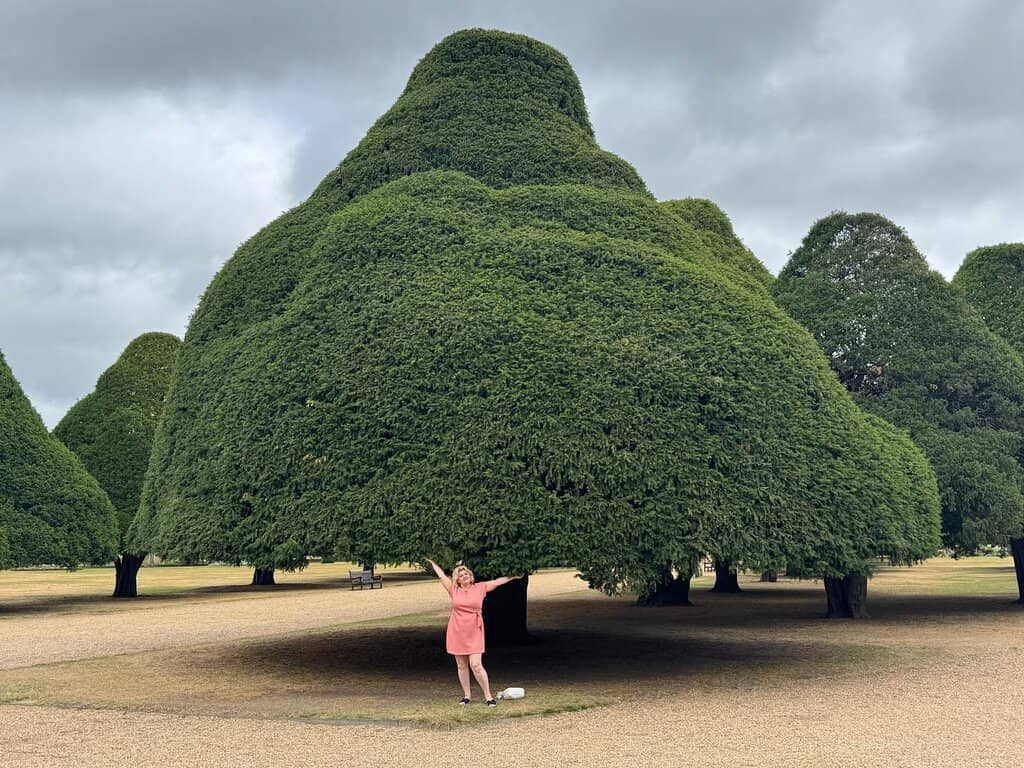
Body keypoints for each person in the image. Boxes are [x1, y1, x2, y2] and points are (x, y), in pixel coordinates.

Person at [425, 558, 519, 706]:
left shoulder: (480, 587)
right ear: (458, 580)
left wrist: (514, 576)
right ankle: (467, 696)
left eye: (466, 573)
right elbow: (442, 576)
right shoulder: (453, 589)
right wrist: (432, 563)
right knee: (461, 665)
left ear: (470, 575)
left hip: (474, 630)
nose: (464, 576)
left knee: (476, 664)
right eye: (461, 575)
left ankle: (488, 696)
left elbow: (497, 581)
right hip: (456, 630)